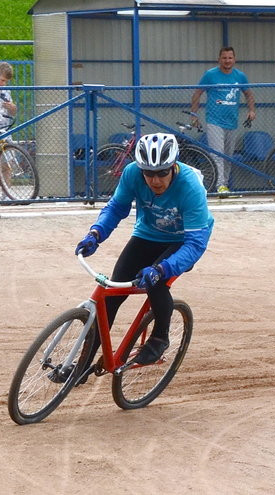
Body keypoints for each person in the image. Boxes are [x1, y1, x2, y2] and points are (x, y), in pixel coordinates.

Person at [75, 133, 214, 370]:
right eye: (148, 173)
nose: (155, 180)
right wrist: (96, 234)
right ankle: (81, 365)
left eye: (162, 172)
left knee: (156, 282)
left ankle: (160, 338)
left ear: (173, 167)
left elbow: (195, 244)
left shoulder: (191, 187)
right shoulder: (131, 173)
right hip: (146, 235)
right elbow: (117, 207)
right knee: (111, 295)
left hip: (181, 242)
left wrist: (162, 268)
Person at [190, 46, 256, 195]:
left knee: (228, 156)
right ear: (219, 59)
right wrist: (194, 114)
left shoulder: (240, 76)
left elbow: (249, 94)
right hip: (214, 121)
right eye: (224, 58)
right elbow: (197, 94)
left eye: (230, 58)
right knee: (217, 154)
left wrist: (252, 110)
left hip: (232, 122)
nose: (227, 61)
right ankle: (220, 185)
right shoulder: (210, 75)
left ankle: (224, 184)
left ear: (234, 59)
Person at [0, 61, 16, 133]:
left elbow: (12, 113)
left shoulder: (6, 91)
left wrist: (12, 108)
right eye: (2, 80)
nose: (4, 84)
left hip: (5, 131)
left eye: (6, 81)